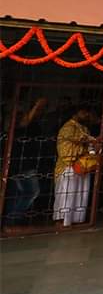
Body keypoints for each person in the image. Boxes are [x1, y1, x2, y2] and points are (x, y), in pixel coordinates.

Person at [53, 106, 99, 228]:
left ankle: (75, 220)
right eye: (83, 112)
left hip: (83, 165)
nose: (86, 115)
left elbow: (90, 146)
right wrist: (84, 148)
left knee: (80, 194)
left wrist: (92, 151)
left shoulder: (84, 128)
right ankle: (61, 221)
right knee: (67, 194)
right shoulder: (67, 128)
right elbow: (65, 149)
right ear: (75, 113)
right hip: (68, 165)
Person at [7, 97, 50, 226]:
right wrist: (37, 106)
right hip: (20, 163)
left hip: (26, 162)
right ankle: (11, 221)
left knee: (20, 193)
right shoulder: (18, 124)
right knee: (30, 192)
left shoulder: (34, 124)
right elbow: (24, 122)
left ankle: (12, 221)